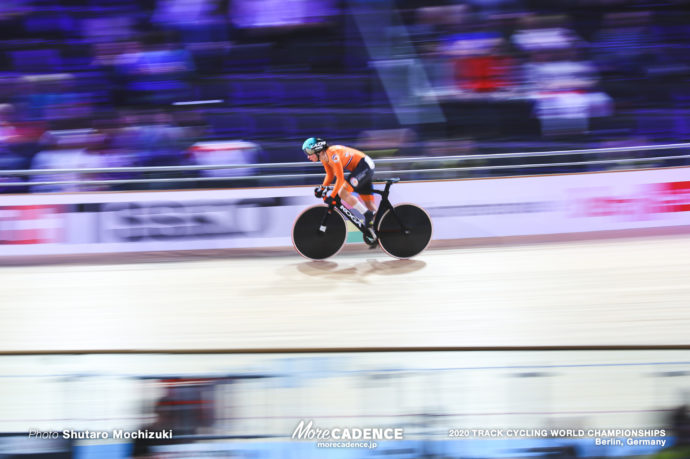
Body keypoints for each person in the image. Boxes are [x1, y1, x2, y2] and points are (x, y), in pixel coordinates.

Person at [302, 137, 377, 227]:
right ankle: (380, 228)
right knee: (369, 203)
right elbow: (330, 175)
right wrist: (321, 188)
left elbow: (340, 178)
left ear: (318, 149)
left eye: (309, 152)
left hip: (364, 166)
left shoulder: (332, 154)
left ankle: (368, 214)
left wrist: (332, 195)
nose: (308, 156)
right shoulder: (323, 157)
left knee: (343, 192)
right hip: (362, 167)